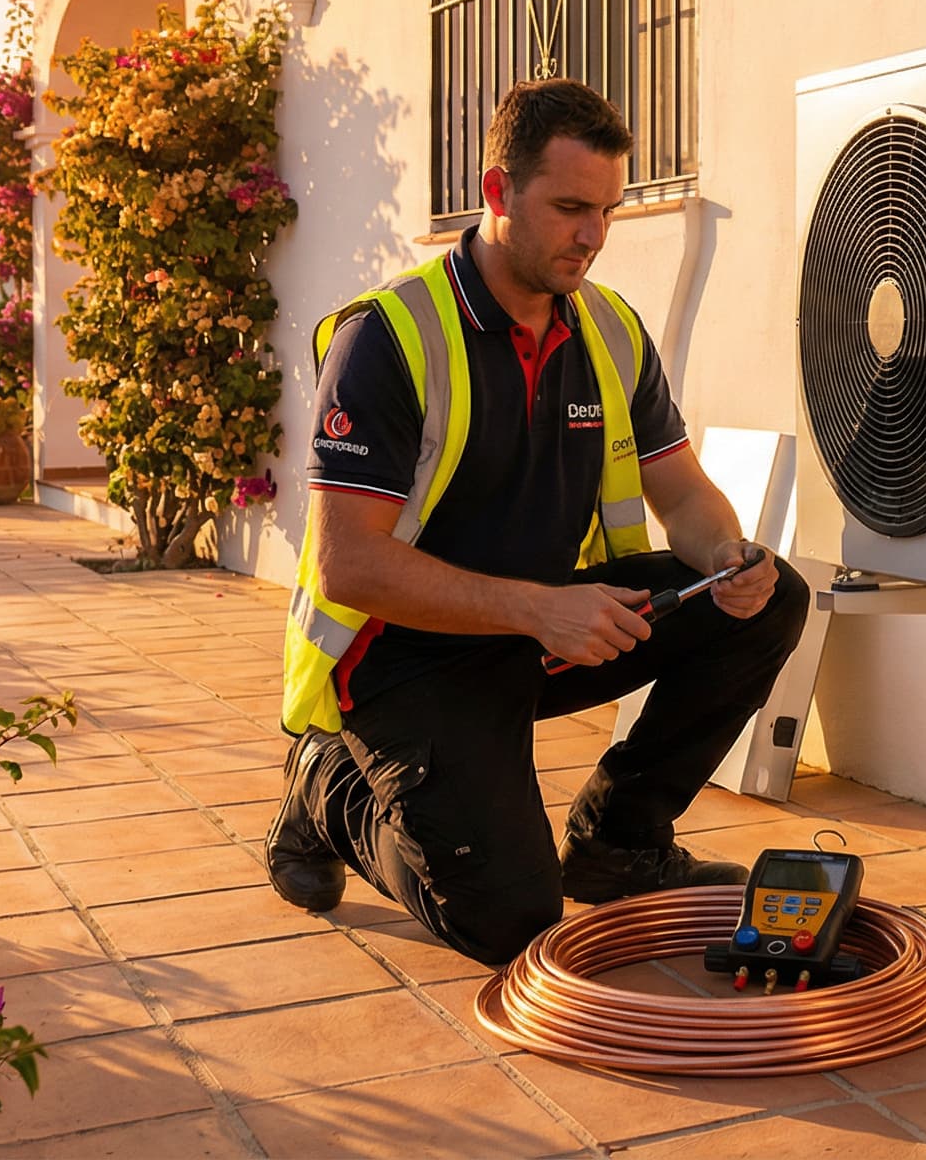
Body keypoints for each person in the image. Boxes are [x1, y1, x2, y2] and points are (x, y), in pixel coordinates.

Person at [263, 77, 808, 966]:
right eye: (567, 208)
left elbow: (684, 493)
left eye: (607, 210)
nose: (591, 236)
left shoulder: (611, 328)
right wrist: (536, 609)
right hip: (401, 658)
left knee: (776, 594)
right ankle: (326, 786)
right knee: (513, 926)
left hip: (546, 626)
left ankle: (618, 842)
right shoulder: (390, 338)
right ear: (496, 192)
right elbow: (348, 568)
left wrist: (728, 554)